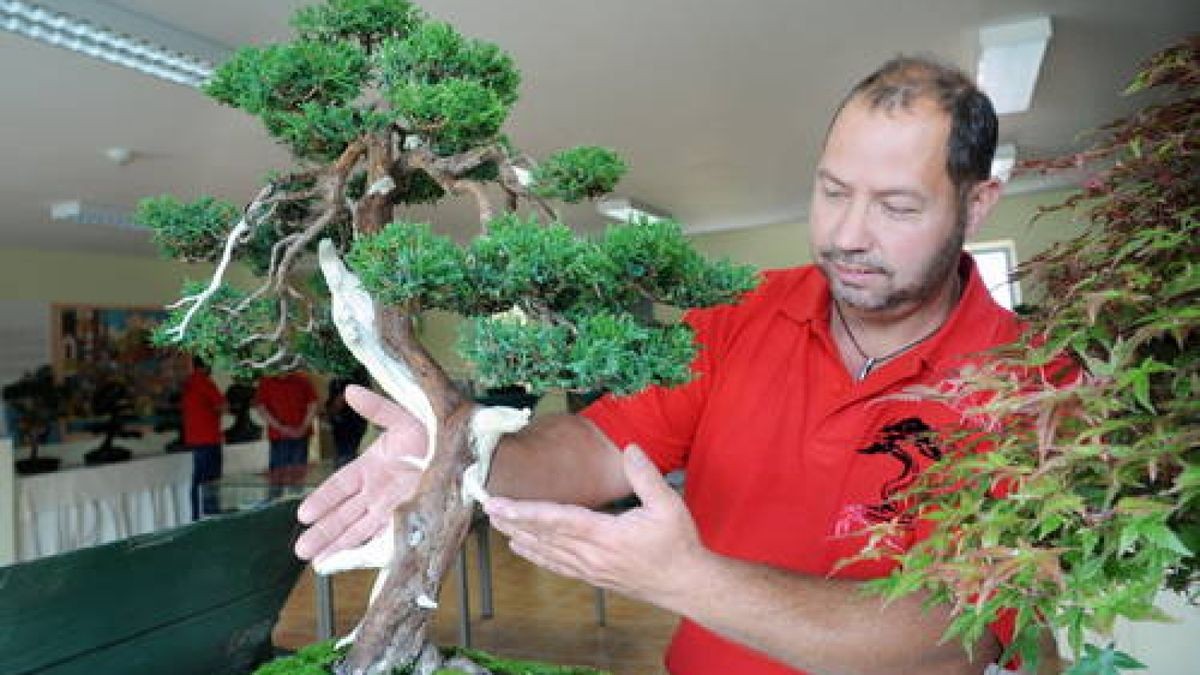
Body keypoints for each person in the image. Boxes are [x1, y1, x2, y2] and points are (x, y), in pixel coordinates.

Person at [294, 57, 1026, 674]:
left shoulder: (1033, 387)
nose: (847, 234)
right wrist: (463, 456)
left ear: (977, 203)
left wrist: (692, 580)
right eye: (833, 192)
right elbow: (601, 445)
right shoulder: (741, 314)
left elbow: (958, 631)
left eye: (896, 207)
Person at [180, 357, 225, 518]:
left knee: (198, 480)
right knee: (210, 481)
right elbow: (222, 405)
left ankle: (196, 515)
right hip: (209, 437)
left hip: (194, 438)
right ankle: (210, 514)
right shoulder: (205, 382)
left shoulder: (188, 383)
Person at [254, 369, 319, 469]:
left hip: (299, 434)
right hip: (279, 436)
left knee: (298, 472)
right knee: (279, 474)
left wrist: (303, 427)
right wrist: (280, 427)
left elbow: (313, 404)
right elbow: (261, 408)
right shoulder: (266, 382)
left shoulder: (302, 380)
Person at [325, 366, 370, 467]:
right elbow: (332, 404)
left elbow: (342, 400)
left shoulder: (356, 380)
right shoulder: (335, 382)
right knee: (343, 455)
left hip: (353, 424)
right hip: (340, 425)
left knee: (347, 456)